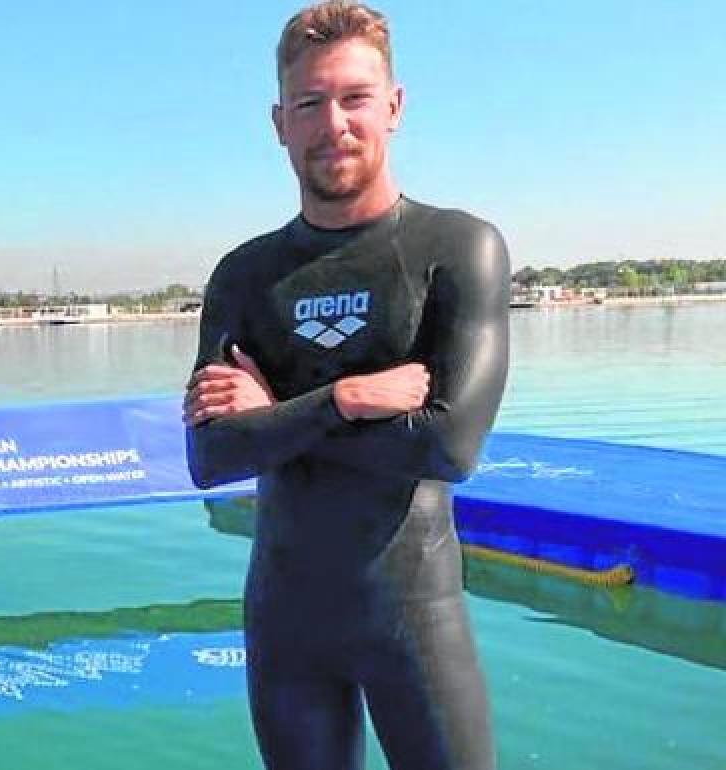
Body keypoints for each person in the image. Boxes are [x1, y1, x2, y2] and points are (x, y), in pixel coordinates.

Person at [182, 3, 510, 769]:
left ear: (393, 108)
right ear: (279, 122)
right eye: (309, 103)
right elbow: (212, 459)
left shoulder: (457, 250)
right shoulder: (245, 276)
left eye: (355, 98)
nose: (334, 123)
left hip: (415, 620)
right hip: (285, 624)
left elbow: (449, 446)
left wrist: (279, 420)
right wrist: (343, 400)